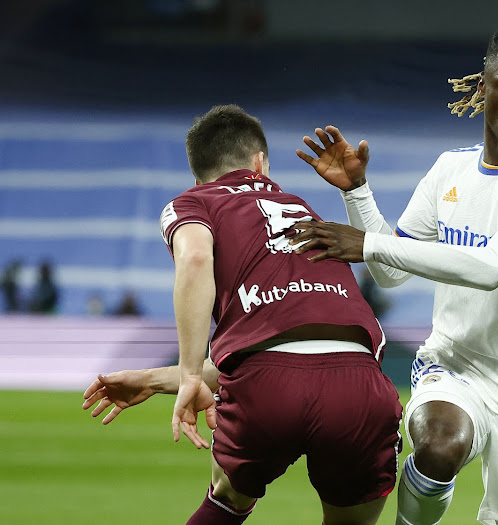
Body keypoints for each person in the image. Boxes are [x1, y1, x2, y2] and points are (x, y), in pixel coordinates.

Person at [292, 21, 498, 525]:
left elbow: (491, 267)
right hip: (452, 368)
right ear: (483, 88)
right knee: (438, 444)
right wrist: (356, 194)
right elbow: (390, 275)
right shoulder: (448, 171)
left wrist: (367, 244)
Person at [82, 104, 402, 525]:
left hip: (266, 385)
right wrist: (153, 379)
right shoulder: (304, 210)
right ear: (261, 163)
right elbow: (300, 344)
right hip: (358, 382)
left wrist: (190, 375)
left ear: (197, 177)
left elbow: (198, 263)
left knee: (226, 499)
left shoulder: (193, 201)